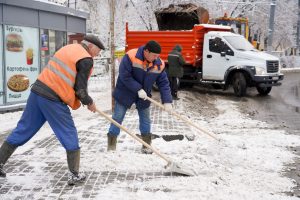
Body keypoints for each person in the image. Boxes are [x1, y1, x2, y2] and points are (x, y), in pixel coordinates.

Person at [0, 35, 105, 186]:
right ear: (91, 47)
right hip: (53, 98)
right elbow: (80, 89)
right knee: (68, 132)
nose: (98, 54)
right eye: (98, 51)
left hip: (37, 92)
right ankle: (75, 175)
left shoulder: (68, 48)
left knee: (23, 129)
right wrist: (89, 102)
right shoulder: (86, 58)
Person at [107, 40, 172, 154]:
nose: (156, 58)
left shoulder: (159, 64)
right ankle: (111, 145)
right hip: (125, 92)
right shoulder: (131, 56)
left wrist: (167, 101)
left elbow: (164, 83)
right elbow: (124, 75)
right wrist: (137, 89)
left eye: (158, 56)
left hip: (144, 96)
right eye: (154, 55)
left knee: (145, 119)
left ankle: (146, 145)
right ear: (146, 51)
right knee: (117, 117)